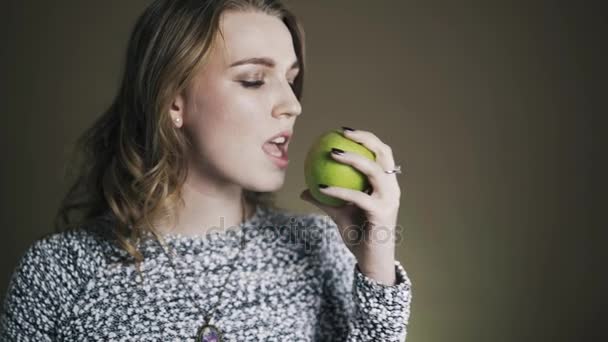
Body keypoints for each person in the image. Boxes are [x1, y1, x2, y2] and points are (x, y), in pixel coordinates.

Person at [0, 0, 412, 340]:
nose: (293, 105)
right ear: (172, 101)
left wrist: (376, 260)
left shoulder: (322, 249)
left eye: (291, 80)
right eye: (253, 79)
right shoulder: (56, 273)